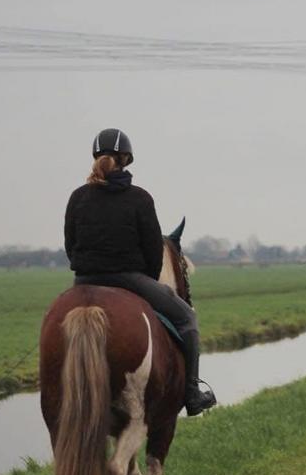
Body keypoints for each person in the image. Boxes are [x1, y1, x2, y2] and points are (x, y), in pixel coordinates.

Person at [64, 127, 217, 416]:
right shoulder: (139, 199)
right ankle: (193, 394)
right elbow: (152, 251)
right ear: (126, 159)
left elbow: (70, 245)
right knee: (187, 318)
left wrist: (86, 269)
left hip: (83, 282)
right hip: (129, 279)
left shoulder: (77, 197)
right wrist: (144, 277)